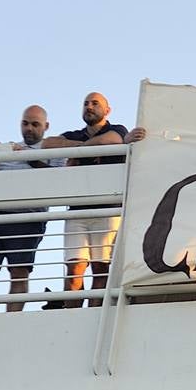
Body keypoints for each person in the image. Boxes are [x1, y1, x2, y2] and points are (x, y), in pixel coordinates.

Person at [40, 92, 145, 305]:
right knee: (74, 270)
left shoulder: (117, 130)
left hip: (107, 211)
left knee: (100, 268)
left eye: (95, 103)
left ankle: (95, 316)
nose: (89, 106)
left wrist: (78, 153)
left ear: (107, 110)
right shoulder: (75, 134)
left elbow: (113, 139)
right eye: (86, 103)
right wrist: (87, 148)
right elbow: (48, 144)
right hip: (77, 211)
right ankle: (73, 317)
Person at [0, 105, 61, 314]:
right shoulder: (8, 148)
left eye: (35, 124)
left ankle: (11, 319)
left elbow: (58, 179)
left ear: (46, 126)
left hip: (28, 218)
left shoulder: (53, 150)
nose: (29, 128)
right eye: (25, 123)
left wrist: (30, 157)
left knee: (19, 272)